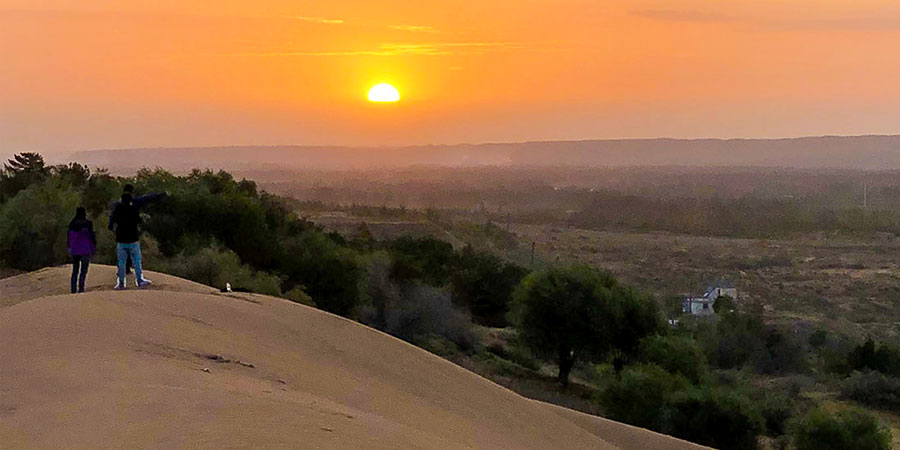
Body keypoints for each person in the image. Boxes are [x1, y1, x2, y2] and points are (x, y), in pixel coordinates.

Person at [108, 184, 166, 284]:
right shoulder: (134, 205)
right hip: (133, 236)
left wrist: (112, 228)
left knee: (121, 259)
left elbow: (111, 220)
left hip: (120, 237)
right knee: (136, 259)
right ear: (132, 192)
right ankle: (139, 279)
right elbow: (147, 199)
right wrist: (161, 195)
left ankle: (121, 281)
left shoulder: (117, 206)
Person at [108, 193, 152, 289]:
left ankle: (121, 283)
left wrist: (114, 229)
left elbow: (111, 223)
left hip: (121, 239)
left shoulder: (117, 210)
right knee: (136, 261)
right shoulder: (133, 210)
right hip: (133, 239)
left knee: (122, 262)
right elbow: (139, 221)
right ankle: (139, 280)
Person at [67, 207, 96, 294]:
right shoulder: (88, 224)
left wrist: (69, 247)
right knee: (83, 271)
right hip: (85, 250)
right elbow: (92, 236)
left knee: (75, 270)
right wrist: (94, 247)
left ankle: (73, 289)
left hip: (75, 250)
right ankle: (81, 289)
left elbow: (68, 238)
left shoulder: (72, 224)